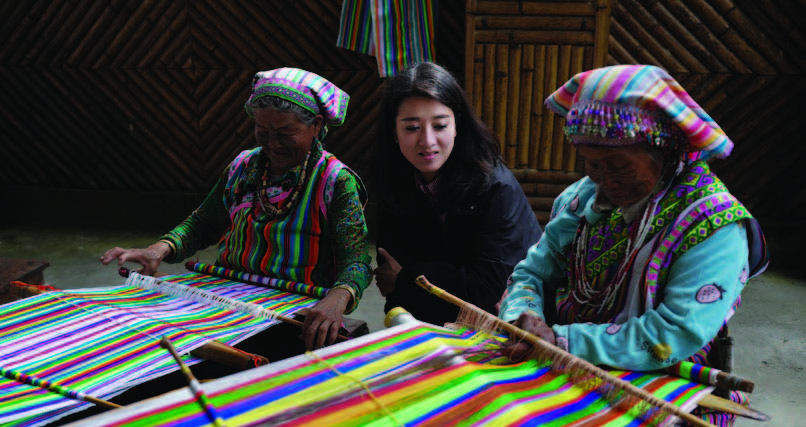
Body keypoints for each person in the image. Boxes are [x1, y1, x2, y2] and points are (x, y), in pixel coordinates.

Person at [498, 64, 768, 427]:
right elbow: (532, 272)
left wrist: (560, 339)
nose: (603, 180)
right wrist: (524, 315)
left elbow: (674, 333)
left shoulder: (713, 223)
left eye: (618, 166)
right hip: (567, 376)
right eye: (591, 163)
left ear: (665, 148)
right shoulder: (582, 200)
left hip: (669, 399)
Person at [101, 68, 372, 352]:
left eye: (286, 132)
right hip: (226, 300)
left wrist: (337, 298)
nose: (272, 143)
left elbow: (356, 262)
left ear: (316, 125)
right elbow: (203, 223)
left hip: (293, 309)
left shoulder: (335, 181)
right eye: (262, 131)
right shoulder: (243, 166)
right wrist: (158, 250)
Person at [370, 62, 542, 326]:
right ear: (394, 132)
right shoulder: (391, 181)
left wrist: (406, 279)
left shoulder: (496, 187)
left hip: (507, 324)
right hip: (424, 325)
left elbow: (486, 290)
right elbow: (391, 286)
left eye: (440, 125)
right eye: (412, 128)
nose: (428, 141)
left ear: (457, 125)